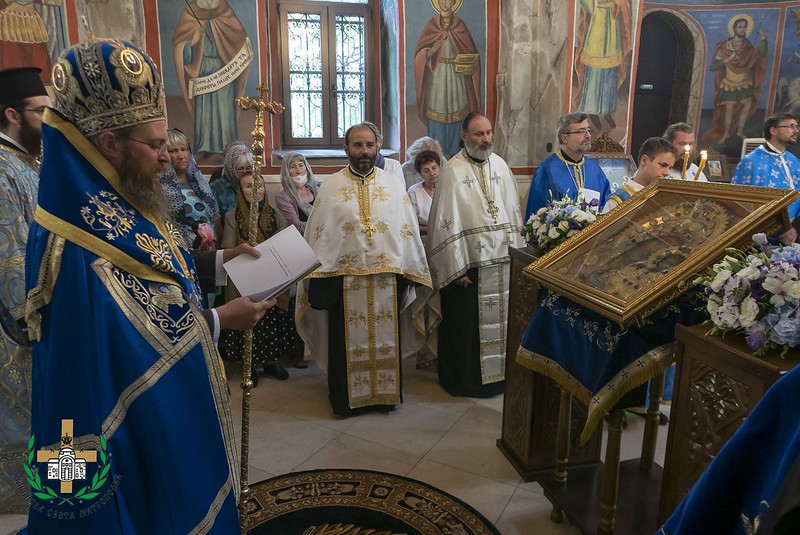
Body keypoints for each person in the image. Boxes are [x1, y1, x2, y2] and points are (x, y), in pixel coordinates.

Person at [25, 38, 273, 532]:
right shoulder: (78, 237)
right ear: (110, 142)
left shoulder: (114, 195)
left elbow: (156, 265)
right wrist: (222, 319)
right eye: (156, 145)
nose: (166, 157)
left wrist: (221, 260)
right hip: (107, 423)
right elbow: (128, 343)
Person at [295, 123, 432, 417]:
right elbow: (321, 235)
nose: (364, 152)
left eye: (369, 145)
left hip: (387, 279)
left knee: (386, 338)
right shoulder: (330, 187)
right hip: (344, 282)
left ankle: (384, 397)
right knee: (344, 343)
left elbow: (405, 231)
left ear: (377, 147)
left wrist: (408, 269)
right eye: (357, 146)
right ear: (346, 149)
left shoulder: (392, 185)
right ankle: (346, 401)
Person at [426, 112, 524, 397]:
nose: (486, 139)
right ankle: (462, 381)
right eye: (479, 134)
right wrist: (455, 269)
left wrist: (517, 257)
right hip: (468, 269)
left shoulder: (501, 166)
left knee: (502, 324)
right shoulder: (453, 170)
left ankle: (498, 380)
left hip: (502, 264)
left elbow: (512, 214)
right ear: (464, 136)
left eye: (489, 132)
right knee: (465, 328)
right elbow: (445, 222)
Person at [0, 67, 49, 514]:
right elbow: (11, 261)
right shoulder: (1, 171)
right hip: (23, 330)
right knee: (33, 421)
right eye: (41, 111)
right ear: (13, 114)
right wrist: (38, 321)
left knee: (58, 421)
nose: (48, 119)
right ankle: (44, 503)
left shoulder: (26, 162)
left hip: (43, 315)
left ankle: (66, 497)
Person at [220, 172, 295, 382]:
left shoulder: (275, 215)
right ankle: (249, 364)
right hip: (244, 278)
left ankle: (271, 361)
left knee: (269, 319)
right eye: (248, 187)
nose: (255, 191)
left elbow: (283, 242)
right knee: (248, 321)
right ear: (240, 191)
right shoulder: (231, 216)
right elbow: (227, 247)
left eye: (259, 185)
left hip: (271, 276)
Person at [172, 0, 252, 154]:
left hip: (224, 72)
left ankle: (227, 145)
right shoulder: (190, 12)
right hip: (203, 71)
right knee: (205, 110)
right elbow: (181, 46)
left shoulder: (225, 9)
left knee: (224, 108)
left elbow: (239, 37)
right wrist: (194, 39)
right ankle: (205, 145)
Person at [414, 0, 481, 156]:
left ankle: (457, 152)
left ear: (453, 2)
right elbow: (419, 55)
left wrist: (467, 61)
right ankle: (435, 153)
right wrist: (431, 51)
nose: (444, 2)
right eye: (441, 0)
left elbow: (472, 53)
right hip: (437, 76)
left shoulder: (460, 26)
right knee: (437, 113)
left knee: (459, 112)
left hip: (457, 77)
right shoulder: (432, 26)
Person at [524, 112, 611, 219]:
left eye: (588, 130)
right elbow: (537, 214)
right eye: (581, 132)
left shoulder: (594, 169)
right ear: (565, 138)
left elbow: (607, 205)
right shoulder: (547, 170)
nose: (588, 136)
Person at [732, 113, 800, 245]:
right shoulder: (751, 162)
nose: (796, 130)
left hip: (794, 235)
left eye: (796, 126)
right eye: (790, 126)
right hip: (763, 236)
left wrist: (795, 229)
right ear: (773, 130)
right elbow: (740, 203)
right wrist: (779, 230)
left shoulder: (794, 161)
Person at [703, 15, 768, 146]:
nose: (742, 29)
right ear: (735, 28)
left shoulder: (748, 45)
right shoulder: (725, 46)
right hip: (730, 83)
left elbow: (761, 52)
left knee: (746, 106)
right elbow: (713, 66)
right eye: (740, 27)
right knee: (729, 109)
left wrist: (762, 38)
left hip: (745, 83)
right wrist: (728, 58)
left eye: (744, 27)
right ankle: (726, 133)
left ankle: (740, 130)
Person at [572, 0, 632, 131]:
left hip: (612, 26)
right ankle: (592, 111)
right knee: (594, 70)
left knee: (610, 72)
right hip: (596, 26)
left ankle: (606, 110)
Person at [160, 128, 222, 250]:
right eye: (173, 151)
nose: (181, 156)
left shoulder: (200, 183)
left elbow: (215, 218)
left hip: (209, 251)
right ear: (165, 155)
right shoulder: (160, 186)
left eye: (184, 150)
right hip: (180, 251)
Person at [603, 137, 677, 213]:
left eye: (670, 168)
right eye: (662, 165)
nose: (667, 173)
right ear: (644, 160)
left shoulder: (665, 199)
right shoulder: (618, 201)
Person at [275, 152, 318, 235]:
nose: (298, 171)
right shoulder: (283, 197)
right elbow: (297, 226)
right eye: (292, 167)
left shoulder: (317, 191)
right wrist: (323, 226)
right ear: (286, 172)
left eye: (301, 165)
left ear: (307, 169)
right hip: (301, 239)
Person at [406, 150, 440, 242]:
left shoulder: (449, 187)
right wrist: (433, 229)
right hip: (424, 241)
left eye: (434, 168)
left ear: (439, 167)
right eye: (426, 171)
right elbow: (410, 224)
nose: (432, 173)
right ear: (420, 174)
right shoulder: (414, 192)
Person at [212, 141, 252, 217]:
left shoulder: (256, 184)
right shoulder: (216, 187)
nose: (245, 172)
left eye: (248, 168)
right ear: (231, 169)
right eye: (240, 169)